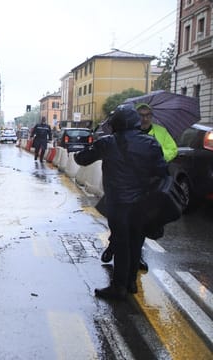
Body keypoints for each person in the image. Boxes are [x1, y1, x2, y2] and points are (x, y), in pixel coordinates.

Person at [74, 104, 167, 300]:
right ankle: (131, 282)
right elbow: (162, 173)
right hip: (142, 203)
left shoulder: (107, 143)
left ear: (116, 123)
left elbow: (81, 159)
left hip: (118, 203)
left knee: (122, 243)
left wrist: (88, 145)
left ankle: (119, 287)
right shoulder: (151, 143)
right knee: (135, 243)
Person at [100, 103, 178, 269]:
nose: (145, 118)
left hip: (148, 185)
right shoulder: (124, 133)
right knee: (119, 222)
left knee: (139, 225)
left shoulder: (160, 132)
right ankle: (113, 246)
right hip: (125, 182)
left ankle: (136, 258)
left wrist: (159, 156)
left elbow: (172, 149)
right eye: (141, 115)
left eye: (148, 115)